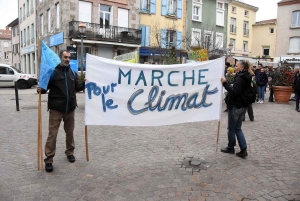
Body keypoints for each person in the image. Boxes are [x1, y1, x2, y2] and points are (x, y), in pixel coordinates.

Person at [37, 50, 85, 172]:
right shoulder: (53, 72)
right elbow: (45, 88)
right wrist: (40, 89)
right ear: (61, 58)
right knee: (52, 134)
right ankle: (49, 159)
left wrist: (84, 84)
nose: (67, 59)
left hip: (70, 109)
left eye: (69, 57)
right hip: (56, 109)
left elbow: (76, 88)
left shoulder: (73, 73)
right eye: (65, 57)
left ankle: (70, 152)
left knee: (70, 133)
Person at [221, 60, 252, 157]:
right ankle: (243, 149)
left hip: (236, 106)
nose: (235, 67)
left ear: (242, 67)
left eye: (237, 65)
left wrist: (225, 84)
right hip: (243, 105)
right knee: (238, 128)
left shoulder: (240, 78)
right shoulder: (246, 76)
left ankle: (231, 147)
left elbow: (234, 91)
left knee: (231, 129)